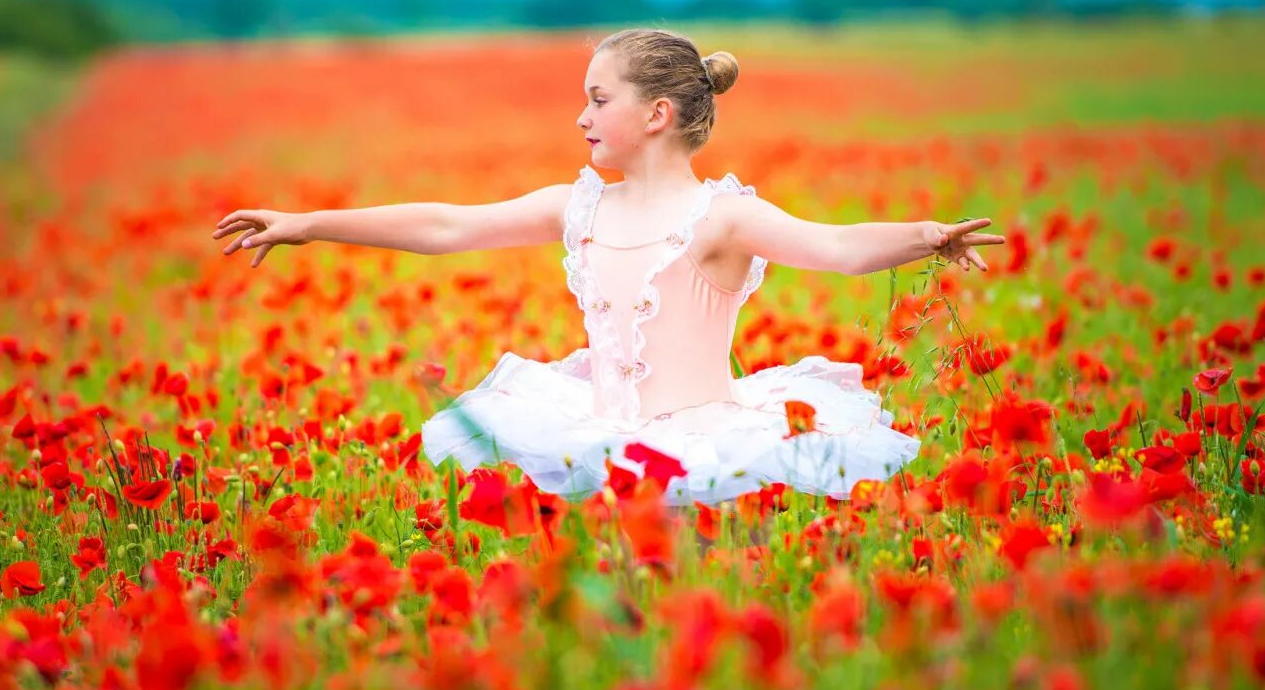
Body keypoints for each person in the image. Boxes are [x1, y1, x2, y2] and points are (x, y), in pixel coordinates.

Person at [212, 28, 1003, 509]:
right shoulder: (578, 207)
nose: (582, 116)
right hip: (597, 431)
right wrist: (307, 224)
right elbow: (448, 225)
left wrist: (929, 235)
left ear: (656, 115)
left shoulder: (723, 216)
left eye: (598, 99)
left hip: (706, 442)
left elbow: (835, 248)